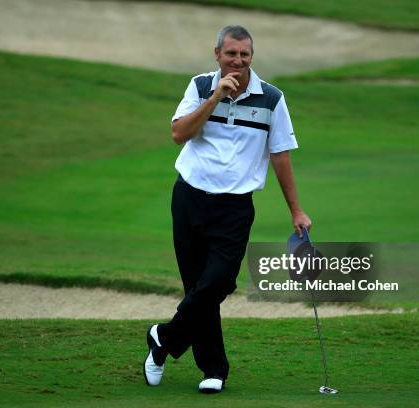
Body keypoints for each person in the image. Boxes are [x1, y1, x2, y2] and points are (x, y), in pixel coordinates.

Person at [143, 25, 312, 394]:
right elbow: (178, 134)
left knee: (218, 283)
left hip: (234, 208)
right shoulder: (200, 86)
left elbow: (280, 155)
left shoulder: (271, 99)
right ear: (216, 54)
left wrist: (296, 211)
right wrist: (216, 97)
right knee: (198, 287)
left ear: (252, 56)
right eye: (231, 54)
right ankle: (214, 369)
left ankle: (163, 338)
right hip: (189, 199)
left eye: (245, 54)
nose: (238, 61)